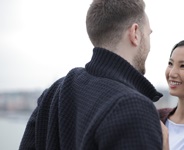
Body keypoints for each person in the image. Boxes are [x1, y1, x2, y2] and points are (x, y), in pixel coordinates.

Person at [19, 0, 164, 149]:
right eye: (148, 34)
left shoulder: (54, 93)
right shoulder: (133, 107)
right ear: (135, 33)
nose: (149, 45)